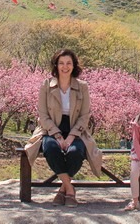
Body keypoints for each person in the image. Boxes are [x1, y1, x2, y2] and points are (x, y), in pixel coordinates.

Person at [24, 49, 102, 208]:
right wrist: (58, 136)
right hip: (50, 129)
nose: (65, 67)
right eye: (61, 63)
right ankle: (70, 190)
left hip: (76, 130)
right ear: (56, 65)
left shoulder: (82, 87)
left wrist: (71, 137)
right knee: (51, 149)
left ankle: (62, 190)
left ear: (74, 66)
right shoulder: (47, 85)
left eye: (68, 63)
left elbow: (85, 115)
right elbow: (43, 114)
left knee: (75, 152)